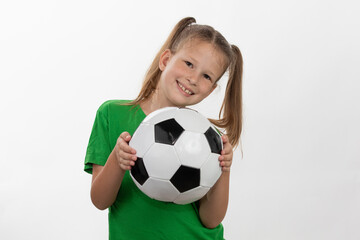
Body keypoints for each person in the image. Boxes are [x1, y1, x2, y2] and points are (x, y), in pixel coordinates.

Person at [84, 17, 243, 240]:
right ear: (165, 59)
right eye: (189, 64)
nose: (193, 79)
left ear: (211, 89)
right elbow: (100, 201)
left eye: (206, 76)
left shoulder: (209, 139)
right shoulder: (112, 114)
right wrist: (117, 162)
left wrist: (224, 169)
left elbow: (211, 219)